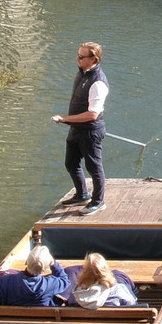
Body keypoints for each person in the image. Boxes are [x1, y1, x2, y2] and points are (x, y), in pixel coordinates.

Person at [51, 42, 109, 215]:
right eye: (78, 55)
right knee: (71, 163)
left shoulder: (98, 83)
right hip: (76, 129)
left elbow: (92, 114)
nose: (77, 58)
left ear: (94, 59)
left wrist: (65, 119)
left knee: (94, 167)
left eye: (82, 57)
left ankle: (98, 201)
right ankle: (82, 194)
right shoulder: (82, 73)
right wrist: (70, 122)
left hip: (90, 131)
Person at [0, 246, 69, 309]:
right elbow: (65, 281)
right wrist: (54, 264)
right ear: (45, 269)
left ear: (26, 262)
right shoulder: (50, 284)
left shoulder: (6, 281)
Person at [69, 253, 138, 309]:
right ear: (105, 270)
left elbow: (70, 304)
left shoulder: (77, 293)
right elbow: (133, 306)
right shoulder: (117, 290)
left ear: (84, 272)